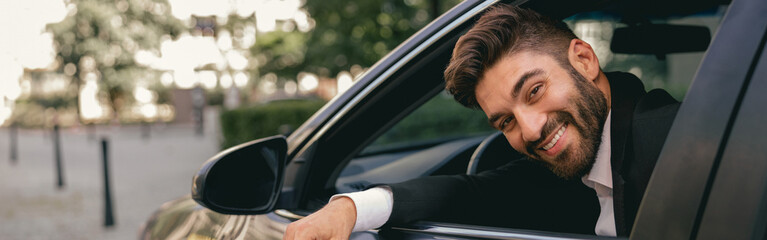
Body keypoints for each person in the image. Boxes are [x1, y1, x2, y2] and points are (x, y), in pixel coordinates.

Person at [284, 4, 680, 239]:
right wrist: (349, 209)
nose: (529, 130)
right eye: (505, 121)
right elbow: (470, 194)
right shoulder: (583, 156)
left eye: (535, 91)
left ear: (584, 59)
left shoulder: (673, 145)